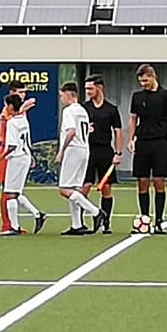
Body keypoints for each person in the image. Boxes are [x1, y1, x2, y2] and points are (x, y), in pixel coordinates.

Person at [128, 63, 167, 233]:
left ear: (153, 77)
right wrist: (131, 139)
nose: (143, 84)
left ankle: (159, 221)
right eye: (140, 81)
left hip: (160, 142)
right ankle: (145, 218)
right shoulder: (137, 97)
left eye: (145, 80)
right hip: (142, 142)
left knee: (159, 181)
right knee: (142, 181)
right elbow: (132, 119)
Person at [0, 92, 44, 235]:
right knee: (15, 192)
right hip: (25, 156)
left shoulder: (12, 122)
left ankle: (14, 227)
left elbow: (12, 146)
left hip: (17, 158)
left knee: (9, 193)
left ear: (10, 106)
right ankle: (37, 214)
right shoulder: (23, 119)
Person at [56, 82, 102, 235]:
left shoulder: (69, 111)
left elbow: (71, 132)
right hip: (84, 148)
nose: (61, 98)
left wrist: (61, 151)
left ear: (69, 94)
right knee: (75, 188)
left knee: (64, 189)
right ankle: (77, 225)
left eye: (62, 95)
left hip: (73, 149)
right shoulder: (83, 110)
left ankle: (95, 212)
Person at [83, 75, 123, 234]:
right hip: (88, 151)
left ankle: (106, 223)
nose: (88, 92)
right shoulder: (84, 108)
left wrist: (118, 153)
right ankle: (80, 222)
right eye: (86, 89)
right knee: (84, 187)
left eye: (90, 88)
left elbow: (118, 132)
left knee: (106, 187)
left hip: (105, 151)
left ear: (100, 88)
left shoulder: (111, 109)